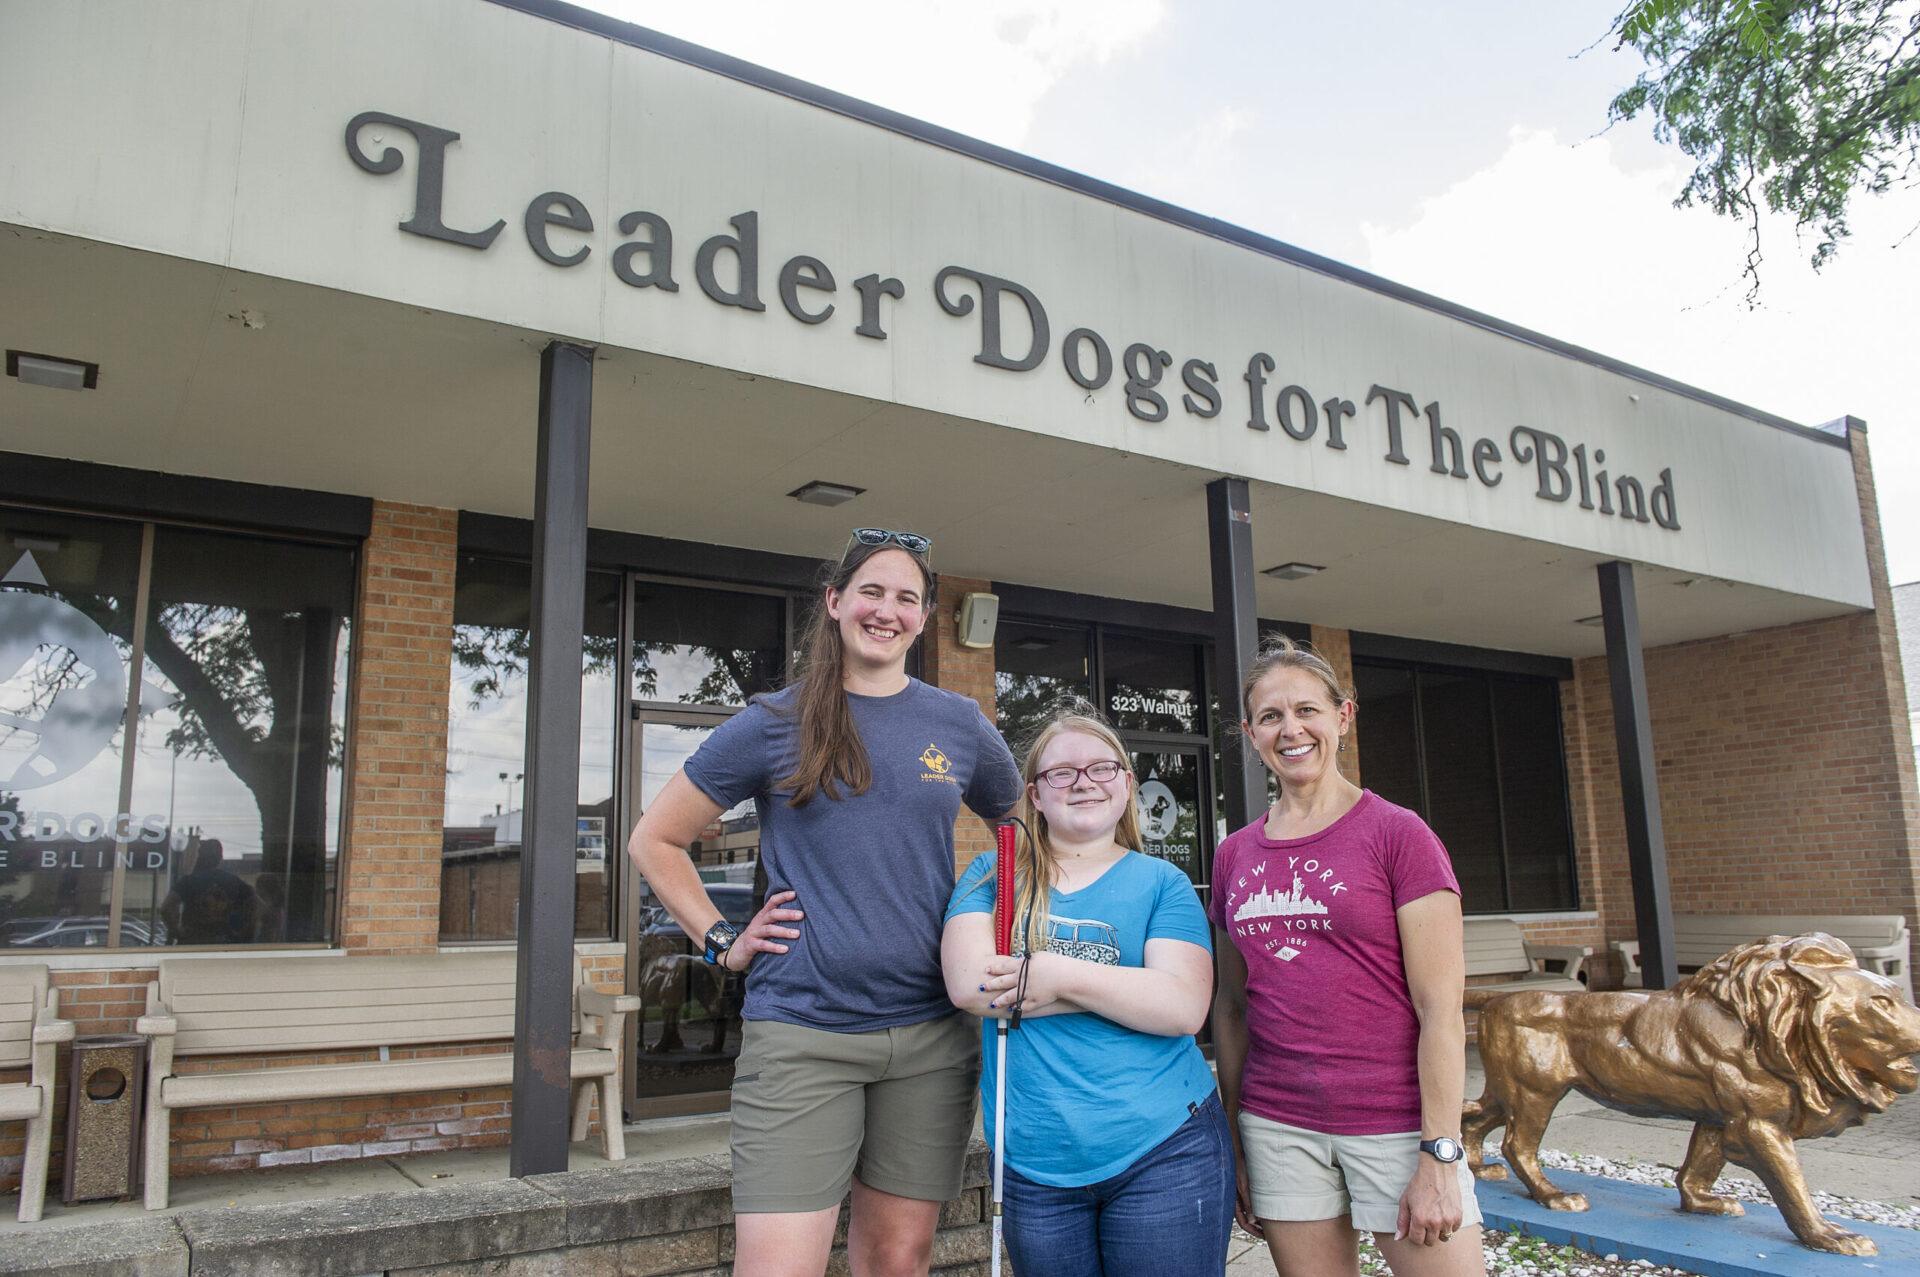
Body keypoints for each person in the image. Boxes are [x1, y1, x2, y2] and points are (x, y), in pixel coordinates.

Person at [626, 528, 1022, 1277]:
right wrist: (721, 940)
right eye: (871, 591)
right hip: (803, 1031)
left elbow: (1024, 835)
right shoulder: (773, 721)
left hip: (933, 1040)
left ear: (924, 615)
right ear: (836, 602)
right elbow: (655, 839)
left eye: (907, 597)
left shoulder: (957, 723)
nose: (887, 609)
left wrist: (994, 928)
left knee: (896, 1261)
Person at [1212, 638, 1486, 1277]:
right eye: (1271, 717)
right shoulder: (1235, 855)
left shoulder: (1399, 835)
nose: (1291, 730)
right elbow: (1231, 1005)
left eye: (1307, 709)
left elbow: (1441, 1007)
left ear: (1344, 716)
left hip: (1395, 1123)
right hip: (1279, 1127)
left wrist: (1440, 1154)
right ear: (1251, 733)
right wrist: (1236, 1138)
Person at [943, 711, 1230, 1277]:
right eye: (1063, 772)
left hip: (1166, 1147)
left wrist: (1054, 975)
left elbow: (1181, 1008)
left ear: (1126, 784)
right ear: (1035, 794)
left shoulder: (1162, 883)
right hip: (1035, 1162)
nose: (1084, 781)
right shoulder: (996, 874)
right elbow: (969, 985)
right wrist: (1125, 991)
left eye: (1102, 767)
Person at [160, 838, 256, 946]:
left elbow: (166, 908)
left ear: (200, 857)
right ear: (220, 858)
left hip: (192, 942)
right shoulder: (233, 881)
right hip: (221, 943)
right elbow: (257, 904)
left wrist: (176, 931)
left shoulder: (188, 881)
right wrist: (245, 932)